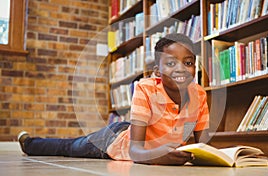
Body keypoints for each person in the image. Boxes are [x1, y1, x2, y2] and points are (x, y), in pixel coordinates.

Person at [18, 33, 210, 165]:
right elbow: (135, 152)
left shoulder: (199, 94)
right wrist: (158, 155)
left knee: (72, 145)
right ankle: (29, 143)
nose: (181, 69)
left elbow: (203, 146)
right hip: (115, 140)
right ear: (157, 72)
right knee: (71, 146)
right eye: (170, 63)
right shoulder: (146, 88)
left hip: (137, 134)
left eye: (188, 62)